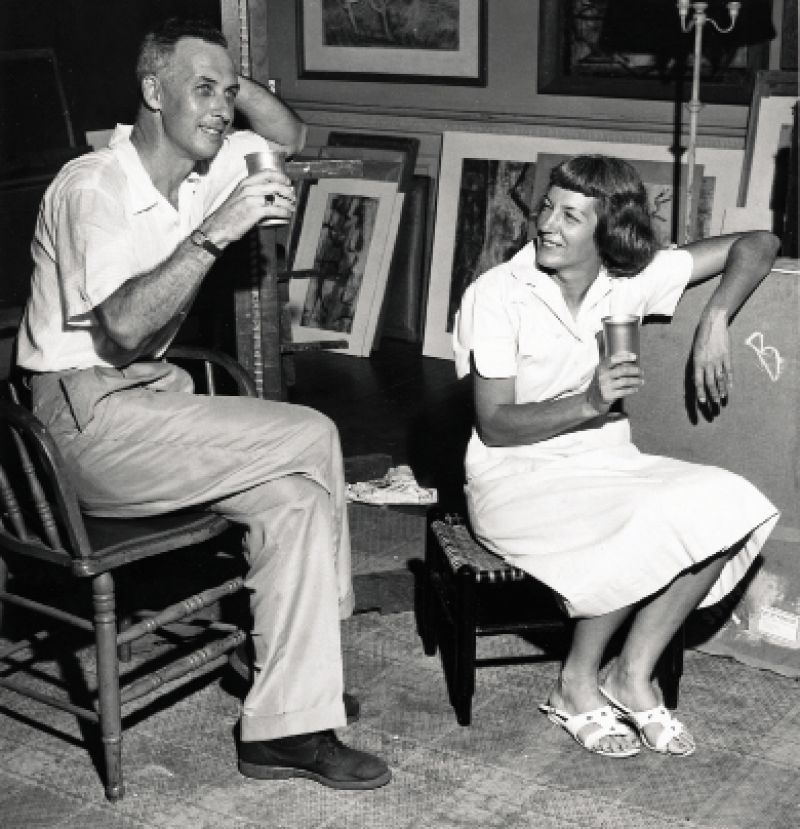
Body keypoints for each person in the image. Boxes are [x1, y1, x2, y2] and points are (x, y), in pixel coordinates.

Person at [15, 18, 390, 789]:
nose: (221, 112)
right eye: (201, 91)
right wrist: (218, 232)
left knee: (292, 500)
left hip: (148, 401)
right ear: (152, 93)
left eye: (227, 95)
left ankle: (283, 728)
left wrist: (227, 85)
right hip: (79, 429)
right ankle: (315, 648)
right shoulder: (94, 189)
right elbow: (120, 324)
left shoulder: (198, 168)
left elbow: (290, 130)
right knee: (312, 433)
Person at [453, 154, 780, 758]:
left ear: (608, 230)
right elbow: (495, 426)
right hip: (516, 477)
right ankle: (574, 686)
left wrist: (716, 316)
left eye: (571, 215)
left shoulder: (631, 279)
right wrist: (590, 400)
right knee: (642, 517)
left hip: (605, 460)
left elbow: (760, 241)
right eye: (547, 207)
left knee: (730, 503)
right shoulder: (498, 294)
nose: (548, 224)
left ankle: (630, 672)